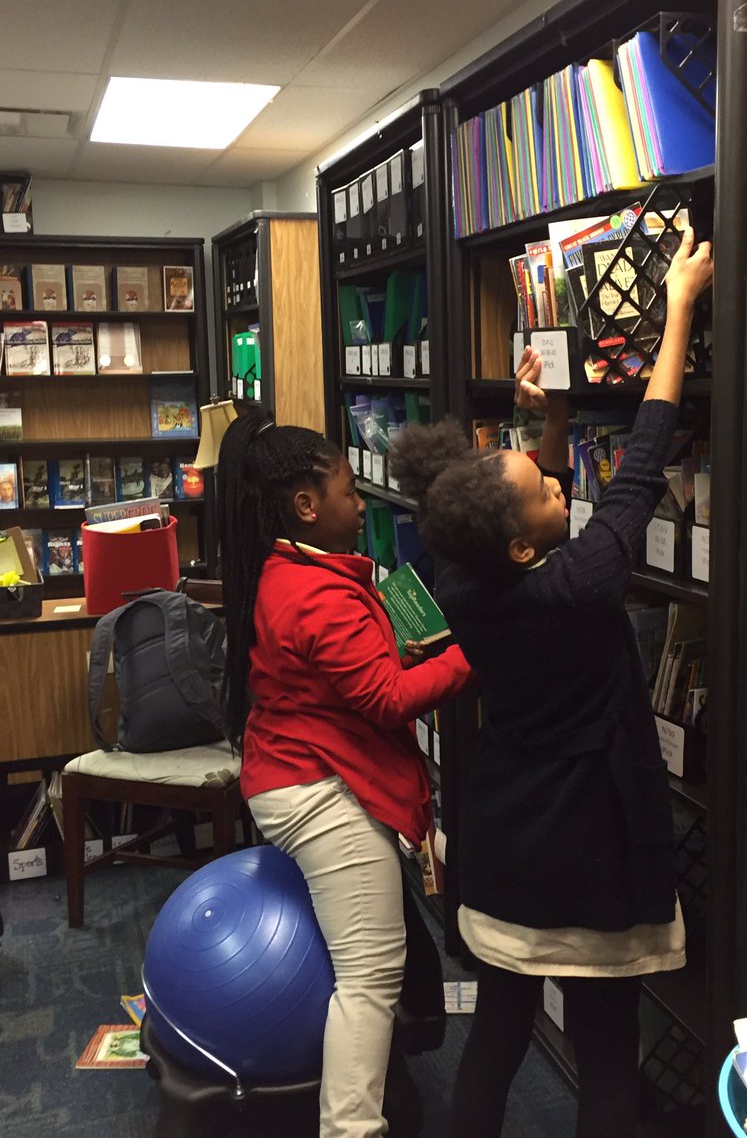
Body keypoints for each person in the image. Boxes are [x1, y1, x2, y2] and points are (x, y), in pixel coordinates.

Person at [389, 227, 714, 1138]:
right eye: (545, 488)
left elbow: (524, 508)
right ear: (529, 543)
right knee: (609, 1052)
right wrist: (680, 306)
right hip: (587, 859)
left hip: (502, 847)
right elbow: (643, 460)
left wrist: (555, 424)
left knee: (495, 1036)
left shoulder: (463, 574)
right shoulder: (578, 586)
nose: (563, 487)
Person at [216, 414, 474, 1138]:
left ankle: (404, 1052)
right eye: (346, 491)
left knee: (382, 957)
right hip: (317, 787)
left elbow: (360, 672)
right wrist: (474, 652)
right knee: (367, 979)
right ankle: (351, 1128)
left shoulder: (292, 569)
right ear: (306, 505)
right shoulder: (317, 594)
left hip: (292, 769)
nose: (360, 504)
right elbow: (387, 696)